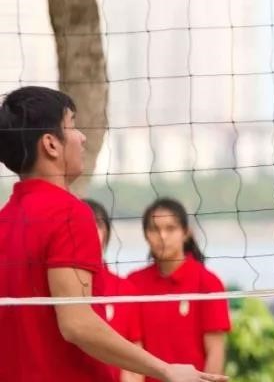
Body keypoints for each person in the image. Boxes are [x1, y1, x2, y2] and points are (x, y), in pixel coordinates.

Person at [0, 85, 223, 382]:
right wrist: (167, 370)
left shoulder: (5, 219)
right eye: (72, 125)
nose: (82, 137)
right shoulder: (70, 214)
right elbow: (77, 324)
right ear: (51, 144)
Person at [127, 198, 230, 382]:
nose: (162, 236)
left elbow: (215, 351)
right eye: (154, 229)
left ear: (185, 232)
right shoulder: (133, 283)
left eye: (170, 228)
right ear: (145, 235)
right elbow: (133, 350)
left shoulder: (208, 282)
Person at [85, 199, 144, 382]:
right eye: (85, 224)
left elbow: (134, 357)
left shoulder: (125, 289)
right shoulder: (55, 288)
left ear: (107, 233)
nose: (91, 231)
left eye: (98, 225)